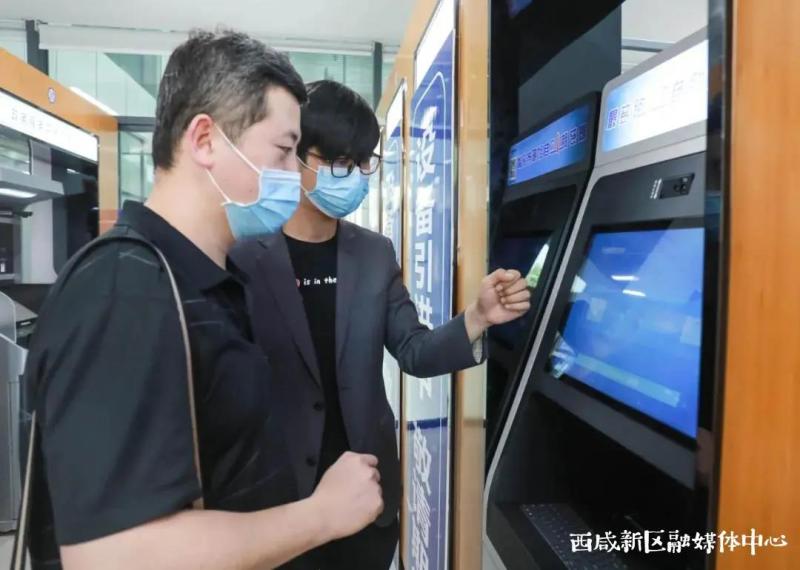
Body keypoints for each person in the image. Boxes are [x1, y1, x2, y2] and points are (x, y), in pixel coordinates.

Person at [22, 33, 382, 570]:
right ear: (206, 140)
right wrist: (321, 516)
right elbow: (111, 556)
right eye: (284, 151)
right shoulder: (125, 290)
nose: (293, 175)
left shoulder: (204, 279)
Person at [230, 80, 531, 569]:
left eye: (362, 162)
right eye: (338, 162)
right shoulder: (244, 257)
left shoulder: (373, 253)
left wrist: (477, 317)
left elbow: (414, 350)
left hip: (367, 496)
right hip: (278, 500)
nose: (353, 176)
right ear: (296, 156)